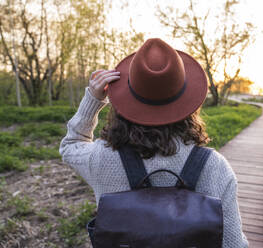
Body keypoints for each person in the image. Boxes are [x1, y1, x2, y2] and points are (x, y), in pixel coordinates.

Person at [59, 38, 249, 248]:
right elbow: (233, 244)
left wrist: (93, 100)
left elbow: (71, 146)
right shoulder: (215, 166)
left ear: (125, 99)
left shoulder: (101, 157)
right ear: (188, 103)